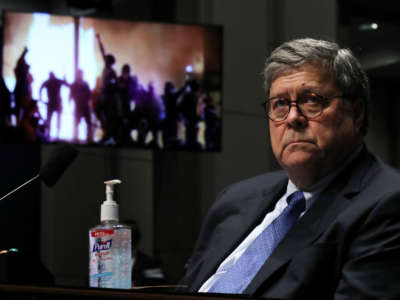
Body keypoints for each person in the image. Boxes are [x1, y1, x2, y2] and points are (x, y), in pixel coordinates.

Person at [180, 38, 400, 299]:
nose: (293, 118)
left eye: (312, 100)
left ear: (357, 112)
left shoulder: (387, 203)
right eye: (281, 104)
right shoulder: (235, 199)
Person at [69, 69, 92, 143]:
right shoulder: (74, 84)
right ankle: (76, 137)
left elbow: (89, 94)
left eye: (81, 74)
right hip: (78, 106)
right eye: (79, 74)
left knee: (88, 122)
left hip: (85, 105)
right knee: (77, 122)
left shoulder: (85, 83)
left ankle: (89, 138)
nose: (80, 75)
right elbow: (71, 94)